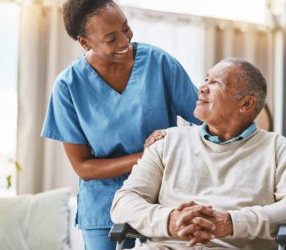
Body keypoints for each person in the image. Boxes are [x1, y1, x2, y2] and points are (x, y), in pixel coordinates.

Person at [111, 58, 286, 250]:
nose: (202, 88)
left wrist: (232, 222)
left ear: (246, 103)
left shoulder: (277, 148)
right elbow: (123, 201)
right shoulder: (168, 142)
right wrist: (169, 220)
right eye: (205, 80)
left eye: (216, 83)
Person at [41, 0, 201, 249]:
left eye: (126, 29)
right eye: (111, 38)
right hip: (104, 206)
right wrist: (148, 155)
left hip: (162, 201)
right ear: (85, 42)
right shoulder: (68, 87)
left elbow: (208, 118)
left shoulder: (159, 63)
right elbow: (83, 167)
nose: (124, 42)